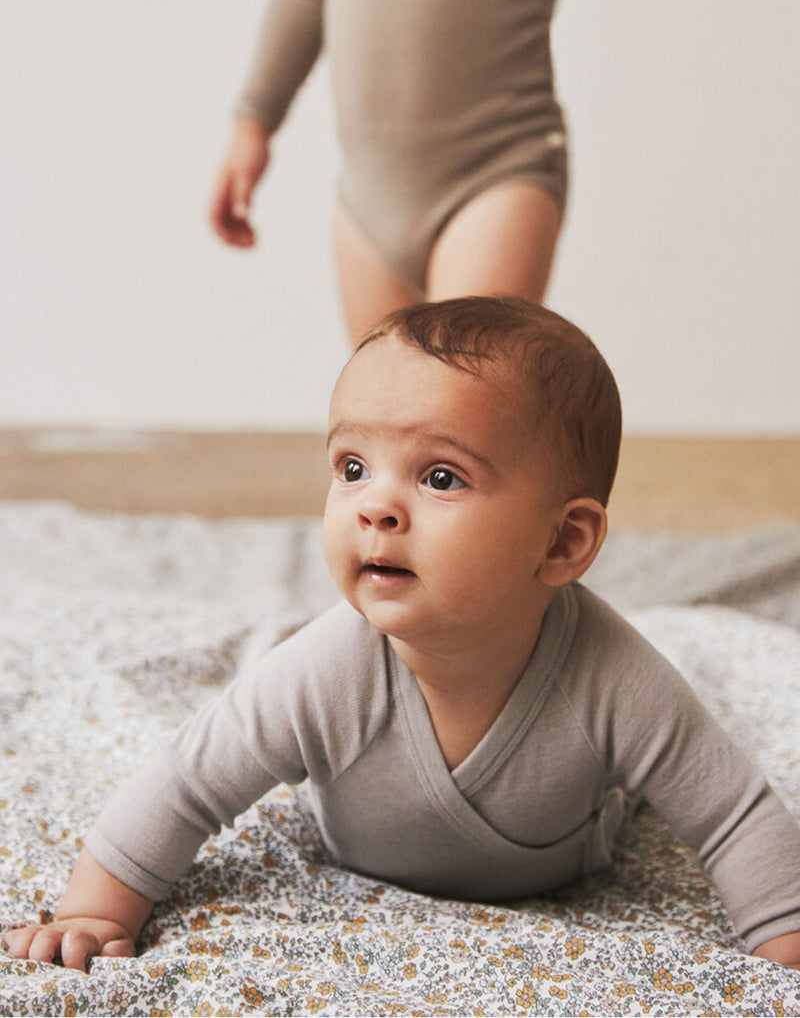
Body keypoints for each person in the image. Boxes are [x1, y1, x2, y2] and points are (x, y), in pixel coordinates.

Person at [6, 296, 800, 973]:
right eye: (352, 467)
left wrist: (781, 952)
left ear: (562, 544)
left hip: (568, 864)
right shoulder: (326, 671)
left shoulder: (614, 678)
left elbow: (735, 815)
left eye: (440, 476)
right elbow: (184, 784)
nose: (374, 507)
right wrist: (98, 913)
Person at [209, 0, 569, 343]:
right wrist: (254, 124)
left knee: (458, 394)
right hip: (369, 195)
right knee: (383, 399)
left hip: (497, 170)